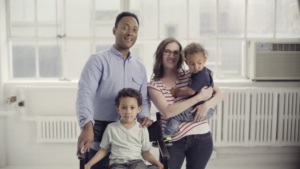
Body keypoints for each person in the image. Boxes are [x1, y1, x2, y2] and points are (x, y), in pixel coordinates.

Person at [76, 12, 153, 169]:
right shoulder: (97, 61)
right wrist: (86, 125)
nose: (130, 32)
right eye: (125, 27)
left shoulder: (140, 68)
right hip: (99, 139)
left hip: (129, 146)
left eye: (135, 29)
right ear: (114, 30)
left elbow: (144, 99)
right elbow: (85, 93)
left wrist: (144, 115)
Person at [147, 37, 226, 169]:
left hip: (201, 138)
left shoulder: (192, 73)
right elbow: (167, 112)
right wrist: (198, 98)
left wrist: (206, 104)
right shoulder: (154, 85)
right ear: (160, 54)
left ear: (181, 56)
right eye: (167, 51)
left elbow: (221, 94)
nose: (172, 55)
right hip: (173, 141)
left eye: (176, 52)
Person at [84, 88, 163, 169]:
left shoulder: (142, 128)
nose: (128, 111)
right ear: (118, 109)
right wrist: (89, 164)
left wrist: (159, 164)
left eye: (132, 108)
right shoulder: (111, 128)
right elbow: (104, 150)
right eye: (124, 107)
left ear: (139, 109)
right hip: (117, 164)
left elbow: (146, 153)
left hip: (137, 162)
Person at [162, 42, 215, 143]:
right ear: (186, 63)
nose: (196, 67)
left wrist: (178, 93)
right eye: (192, 64)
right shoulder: (203, 71)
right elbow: (212, 73)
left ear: (205, 60)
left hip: (202, 110)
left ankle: (167, 135)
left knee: (175, 115)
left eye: (199, 63)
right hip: (205, 107)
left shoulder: (200, 75)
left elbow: (191, 91)